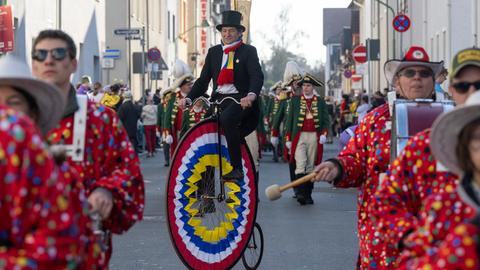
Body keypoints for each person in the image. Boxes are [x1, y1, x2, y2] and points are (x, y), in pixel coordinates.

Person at [312, 46, 444, 269]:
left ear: (433, 81)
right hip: (381, 231)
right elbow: (355, 159)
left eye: (424, 74)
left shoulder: (448, 119)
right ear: (397, 82)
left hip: (434, 227)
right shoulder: (376, 120)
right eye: (409, 73)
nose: (417, 79)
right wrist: (337, 167)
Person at [31, 29, 145, 267]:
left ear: (73, 64)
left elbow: (128, 171)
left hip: (83, 252)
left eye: (58, 53)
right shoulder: (17, 119)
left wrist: (107, 191)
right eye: (41, 54)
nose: (48, 60)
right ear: (34, 65)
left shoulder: (101, 119)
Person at [370, 47, 480, 268]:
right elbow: (385, 201)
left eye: (479, 86)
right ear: (452, 90)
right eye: (462, 86)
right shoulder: (423, 147)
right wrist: (410, 238)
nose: (472, 93)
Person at [0, 55, 89, 268]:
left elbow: (63, 247)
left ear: (33, 113)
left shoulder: (60, 176)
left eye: (13, 103)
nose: (3, 112)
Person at [396, 91, 480, 269]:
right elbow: (409, 262)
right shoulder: (444, 205)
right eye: (478, 138)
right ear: (465, 148)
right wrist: (456, 250)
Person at [178, 10, 264, 180]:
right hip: (219, 99)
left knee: (227, 119)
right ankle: (205, 185)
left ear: (240, 33)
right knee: (206, 131)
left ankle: (237, 168)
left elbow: (256, 76)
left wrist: (251, 95)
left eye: (231, 31)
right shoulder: (214, 52)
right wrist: (188, 98)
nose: (227, 34)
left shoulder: (248, 51)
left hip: (241, 99)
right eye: (224, 31)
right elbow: (203, 81)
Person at [284, 74, 330, 205]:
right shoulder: (295, 101)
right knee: (300, 164)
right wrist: (288, 138)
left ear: (313, 87)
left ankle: (308, 194)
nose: (305, 88)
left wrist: (324, 134)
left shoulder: (320, 101)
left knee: (310, 166)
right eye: (304, 85)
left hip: (314, 136)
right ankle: (300, 193)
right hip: (299, 136)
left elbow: (326, 121)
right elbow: (289, 121)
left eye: (308, 85)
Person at [163, 73, 194, 157]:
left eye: (191, 84)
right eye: (188, 85)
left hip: (191, 131)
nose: (190, 86)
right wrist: (168, 133)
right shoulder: (173, 97)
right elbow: (168, 116)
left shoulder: (194, 96)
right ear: (182, 86)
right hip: (177, 132)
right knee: (178, 154)